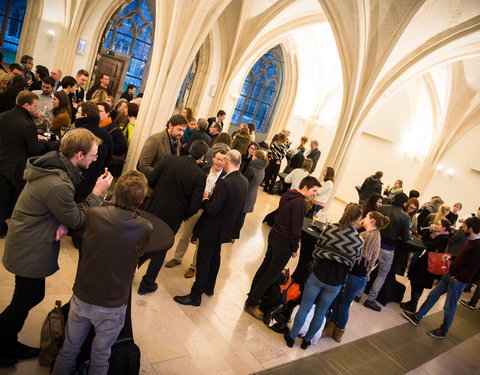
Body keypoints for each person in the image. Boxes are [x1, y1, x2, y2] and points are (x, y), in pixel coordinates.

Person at [0, 129, 112, 366]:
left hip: (29, 240)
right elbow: (77, 219)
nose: (94, 160)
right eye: (92, 155)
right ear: (79, 154)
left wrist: (61, 218)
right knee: (26, 297)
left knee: (29, 295)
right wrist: (96, 193)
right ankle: (4, 345)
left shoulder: (56, 167)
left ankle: (5, 338)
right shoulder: (58, 183)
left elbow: (63, 210)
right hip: (30, 247)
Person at [52, 171, 152, 375]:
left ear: (116, 192)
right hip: (112, 303)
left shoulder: (94, 214)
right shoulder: (145, 227)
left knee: (69, 349)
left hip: (83, 294)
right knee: (100, 355)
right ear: (141, 200)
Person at [173, 150, 248, 306]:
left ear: (227, 161)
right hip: (224, 229)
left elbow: (212, 209)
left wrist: (206, 198)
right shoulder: (243, 182)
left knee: (203, 261)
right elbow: (240, 210)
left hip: (212, 229)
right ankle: (209, 288)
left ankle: (195, 295)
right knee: (215, 258)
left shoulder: (225, 182)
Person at [285, 203, 364, 349]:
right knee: (321, 312)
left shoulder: (331, 228)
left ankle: (291, 337)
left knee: (305, 307)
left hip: (318, 274)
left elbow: (316, 250)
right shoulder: (358, 241)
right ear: (358, 218)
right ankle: (307, 341)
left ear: (345, 212)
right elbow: (353, 263)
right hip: (335, 281)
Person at [137, 140, 209, 295]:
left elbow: (152, 179)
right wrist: (184, 214)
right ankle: (147, 283)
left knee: (141, 241)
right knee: (161, 249)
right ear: (202, 157)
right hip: (173, 217)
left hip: (154, 208)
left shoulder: (170, 159)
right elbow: (194, 206)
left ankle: (127, 273)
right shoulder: (199, 175)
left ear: (189, 149)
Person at [244, 176, 321, 320]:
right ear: (305, 188)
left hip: (274, 236)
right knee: (270, 275)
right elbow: (295, 228)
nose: (314, 194)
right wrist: (294, 247)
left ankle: (252, 295)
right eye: (314, 190)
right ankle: (251, 304)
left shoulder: (288, 194)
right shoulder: (300, 204)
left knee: (264, 268)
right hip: (284, 243)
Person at [402, 217, 480, 338]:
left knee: (449, 306)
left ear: (471, 228)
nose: (462, 228)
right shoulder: (469, 240)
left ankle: (443, 330)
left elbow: (473, 267)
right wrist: (451, 257)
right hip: (450, 275)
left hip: (458, 280)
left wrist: (458, 277)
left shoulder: (478, 244)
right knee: (433, 295)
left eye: (464, 226)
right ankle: (417, 317)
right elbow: (462, 257)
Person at [324, 211, 390, 342]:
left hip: (355, 276)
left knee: (344, 304)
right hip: (361, 277)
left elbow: (358, 256)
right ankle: (331, 328)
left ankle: (339, 331)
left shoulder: (366, 236)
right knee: (341, 301)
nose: (363, 219)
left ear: (372, 221)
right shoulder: (376, 235)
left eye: (366, 217)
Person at [164, 149, 228, 279]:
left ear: (225, 161)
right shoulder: (203, 169)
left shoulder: (225, 177)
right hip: (197, 207)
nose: (219, 162)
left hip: (209, 212)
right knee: (185, 235)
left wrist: (209, 196)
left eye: (222, 160)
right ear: (213, 158)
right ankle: (177, 258)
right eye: (217, 159)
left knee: (200, 241)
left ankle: (194, 266)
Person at [0, 91, 49, 238]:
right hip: (15, 168)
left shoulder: (3, 116)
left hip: (2, 160)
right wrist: (44, 143)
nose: (36, 109)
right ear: (26, 105)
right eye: (34, 106)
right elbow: (34, 150)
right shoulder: (27, 124)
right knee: (8, 199)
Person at [362, 193, 410, 311]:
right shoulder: (404, 217)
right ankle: (371, 299)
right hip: (388, 248)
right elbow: (405, 237)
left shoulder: (382, 208)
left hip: (375, 242)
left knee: (366, 268)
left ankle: (358, 294)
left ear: (393, 199)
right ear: (404, 203)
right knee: (382, 274)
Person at [401, 218, 451, 314]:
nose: (436, 225)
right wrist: (429, 230)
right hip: (425, 260)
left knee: (418, 283)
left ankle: (413, 305)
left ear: (444, 228)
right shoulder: (437, 234)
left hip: (430, 264)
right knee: (415, 281)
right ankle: (412, 302)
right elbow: (423, 239)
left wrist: (430, 235)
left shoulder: (444, 238)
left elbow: (428, 244)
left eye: (438, 224)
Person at [73, 102, 113, 202]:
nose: (75, 115)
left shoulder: (77, 133)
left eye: (78, 112)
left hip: (73, 179)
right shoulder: (107, 136)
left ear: (85, 115)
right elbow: (107, 161)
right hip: (92, 182)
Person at [97, 102, 127, 178]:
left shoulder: (114, 129)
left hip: (105, 168)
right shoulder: (96, 125)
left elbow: (122, 148)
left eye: (100, 111)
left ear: (108, 113)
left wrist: (105, 144)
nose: (97, 113)